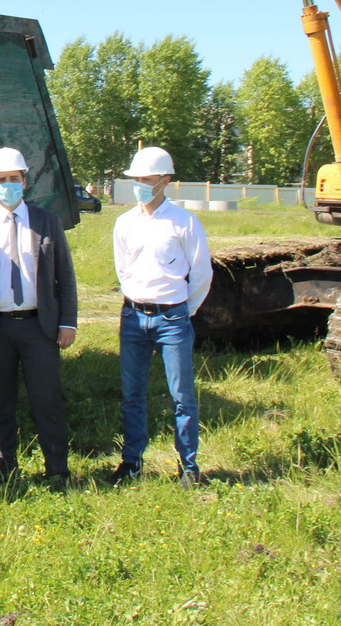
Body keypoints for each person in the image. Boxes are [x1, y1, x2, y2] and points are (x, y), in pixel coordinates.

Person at [0, 147, 78, 486]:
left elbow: (65, 275)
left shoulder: (47, 221)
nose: (7, 185)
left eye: (13, 179)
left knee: (47, 401)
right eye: (1, 180)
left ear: (25, 182)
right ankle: (6, 468)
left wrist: (67, 321)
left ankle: (57, 469)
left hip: (39, 327)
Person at [111, 145, 211, 488]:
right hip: (133, 318)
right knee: (132, 394)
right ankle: (132, 462)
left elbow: (201, 274)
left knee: (182, 395)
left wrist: (184, 310)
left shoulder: (184, 222)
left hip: (173, 320)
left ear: (165, 180)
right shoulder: (124, 223)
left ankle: (188, 467)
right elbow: (123, 269)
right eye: (136, 178)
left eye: (147, 178)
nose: (140, 184)